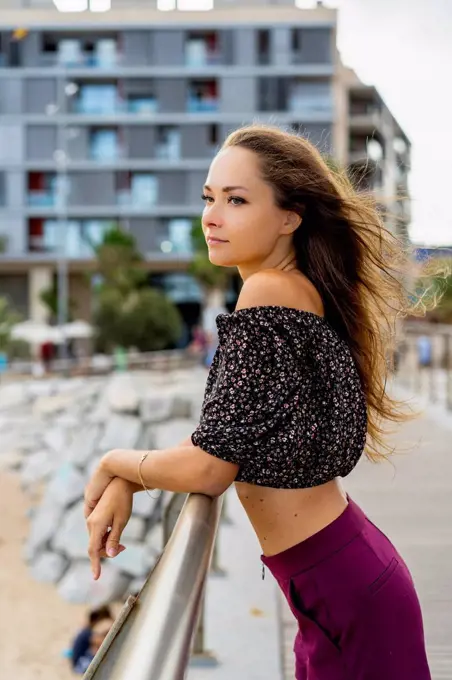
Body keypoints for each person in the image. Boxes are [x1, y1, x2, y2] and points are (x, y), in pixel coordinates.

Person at [84, 124, 431, 679]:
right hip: (338, 578)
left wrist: (114, 463)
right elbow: (224, 436)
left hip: (341, 589)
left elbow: (211, 468)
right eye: (209, 198)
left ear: (290, 216)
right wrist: (135, 475)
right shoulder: (293, 292)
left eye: (237, 200)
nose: (212, 217)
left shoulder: (269, 291)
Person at [70, 605, 112, 673]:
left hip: (78, 663)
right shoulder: (87, 633)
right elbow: (102, 641)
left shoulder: (84, 630)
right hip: (80, 665)